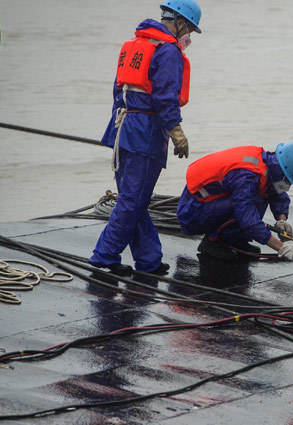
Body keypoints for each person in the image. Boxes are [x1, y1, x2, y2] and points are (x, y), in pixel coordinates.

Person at [89, 0, 202, 276]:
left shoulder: (135, 44)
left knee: (134, 199)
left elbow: (118, 91)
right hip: (145, 132)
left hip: (122, 128)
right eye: (189, 29)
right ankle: (104, 255)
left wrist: (120, 127)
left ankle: (149, 259)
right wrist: (177, 132)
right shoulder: (168, 50)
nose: (189, 35)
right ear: (181, 23)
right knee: (133, 200)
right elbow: (165, 96)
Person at [176, 142, 293, 261]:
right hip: (192, 212)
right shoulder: (246, 176)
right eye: (287, 180)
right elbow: (247, 218)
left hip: (209, 203)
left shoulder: (269, 164)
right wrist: (281, 247)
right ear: (283, 170)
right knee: (250, 202)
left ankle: (236, 239)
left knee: (261, 194)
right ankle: (212, 242)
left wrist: (281, 220)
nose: (287, 185)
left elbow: (278, 193)